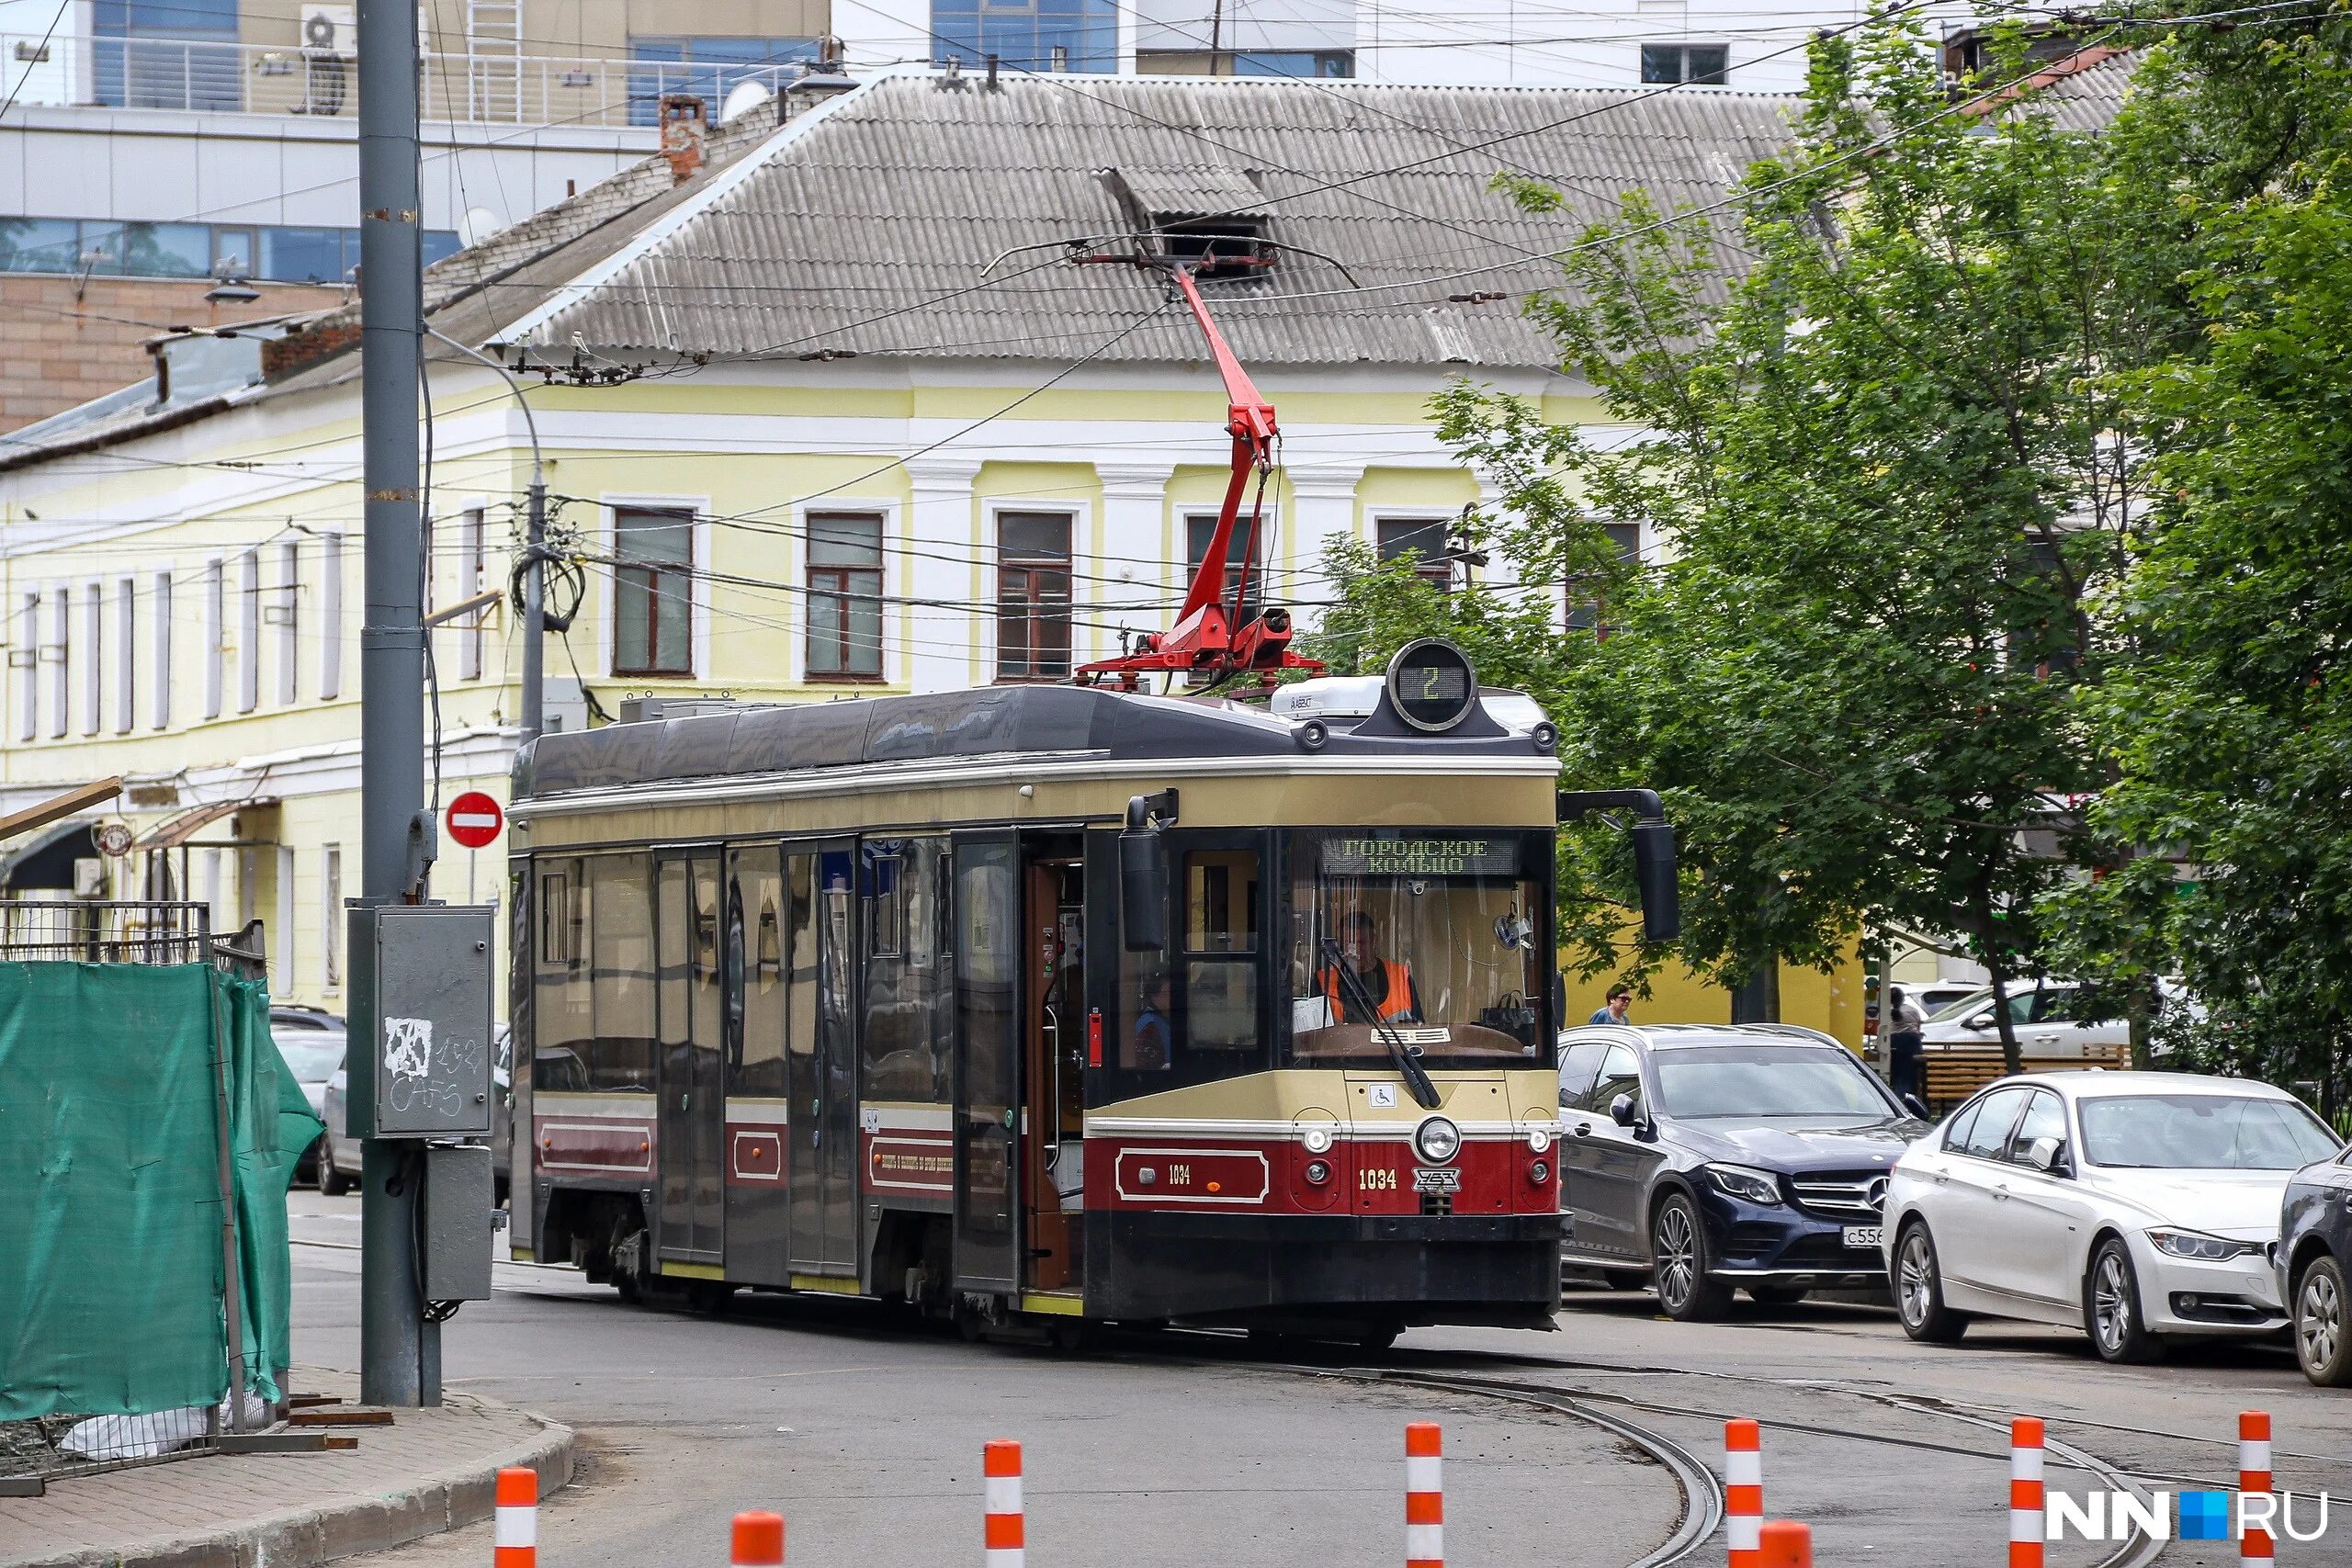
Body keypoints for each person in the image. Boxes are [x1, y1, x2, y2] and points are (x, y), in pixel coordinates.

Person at [1318, 910, 1423, 1023]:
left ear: (1374, 941)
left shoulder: (1401, 977)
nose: (1356, 950)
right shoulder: (1322, 980)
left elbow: (1418, 1028)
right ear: (1340, 946)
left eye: (1362, 943)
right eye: (1350, 944)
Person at [1883, 984, 1926, 1101]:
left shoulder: (1886, 1012)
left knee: (1896, 1074)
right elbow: (1917, 1026)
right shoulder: (1912, 1010)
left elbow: (1884, 1029)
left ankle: (1897, 1098)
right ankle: (1910, 1100)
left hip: (1894, 1044)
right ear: (1903, 998)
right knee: (1910, 1074)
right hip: (1912, 1043)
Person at [1130, 971, 1173, 1069]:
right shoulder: (1149, 1026)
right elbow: (1145, 1064)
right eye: (1169, 992)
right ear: (1154, 995)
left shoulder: (1164, 1020)